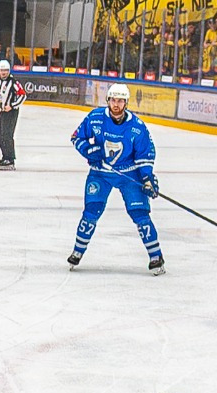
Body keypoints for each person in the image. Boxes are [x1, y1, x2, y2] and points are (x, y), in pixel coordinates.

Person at [68, 83, 164, 275]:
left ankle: (156, 256)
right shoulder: (95, 117)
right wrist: (88, 150)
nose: (116, 104)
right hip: (100, 173)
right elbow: (76, 137)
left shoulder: (137, 127)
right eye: (113, 100)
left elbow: (145, 153)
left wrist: (146, 177)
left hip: (129, 175)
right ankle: (77, 251)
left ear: (126, 103)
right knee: (91, 212)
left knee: (140, 214)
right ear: (108, 100)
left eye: (120, 101)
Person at [0, 60, 27, 169]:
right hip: (2, 111)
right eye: (2, 70)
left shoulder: (13, 82)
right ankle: (5, 157)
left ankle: (10, 160)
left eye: (6, 70)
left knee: (7, 135)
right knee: (0, 135)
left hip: (11, 112)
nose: (4, 72)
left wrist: (12, 105)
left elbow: (23, 95)